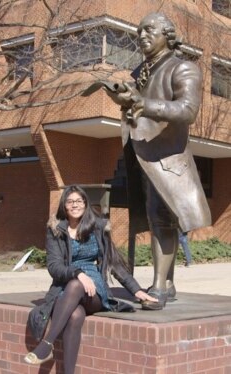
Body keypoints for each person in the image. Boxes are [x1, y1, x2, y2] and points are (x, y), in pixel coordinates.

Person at [101, 12, 211, 310]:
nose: (142, 35)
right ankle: (169, 282)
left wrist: (143, 103)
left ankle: (160, 286)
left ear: (167, 33)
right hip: (143, 155)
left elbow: (187, 110)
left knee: (162, 218)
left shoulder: (183, 68)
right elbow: (138, 107)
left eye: (149, 29)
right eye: (139, 31)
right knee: (154, 218)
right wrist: (126, 98)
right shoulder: (141, 70)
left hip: (168, 158)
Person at [24, 185, 157, 373]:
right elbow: (54, 267)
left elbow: (114, 262)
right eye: (70, 202)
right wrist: (78, 273)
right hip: (67, 287)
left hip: (94, 291)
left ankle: (47, 343)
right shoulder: (56, 230)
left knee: (77, 285)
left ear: (85, 204)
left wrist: (136, 290)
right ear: (64, 205)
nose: (74, 205)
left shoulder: (98, 227)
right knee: (76, 315)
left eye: (79, 201)